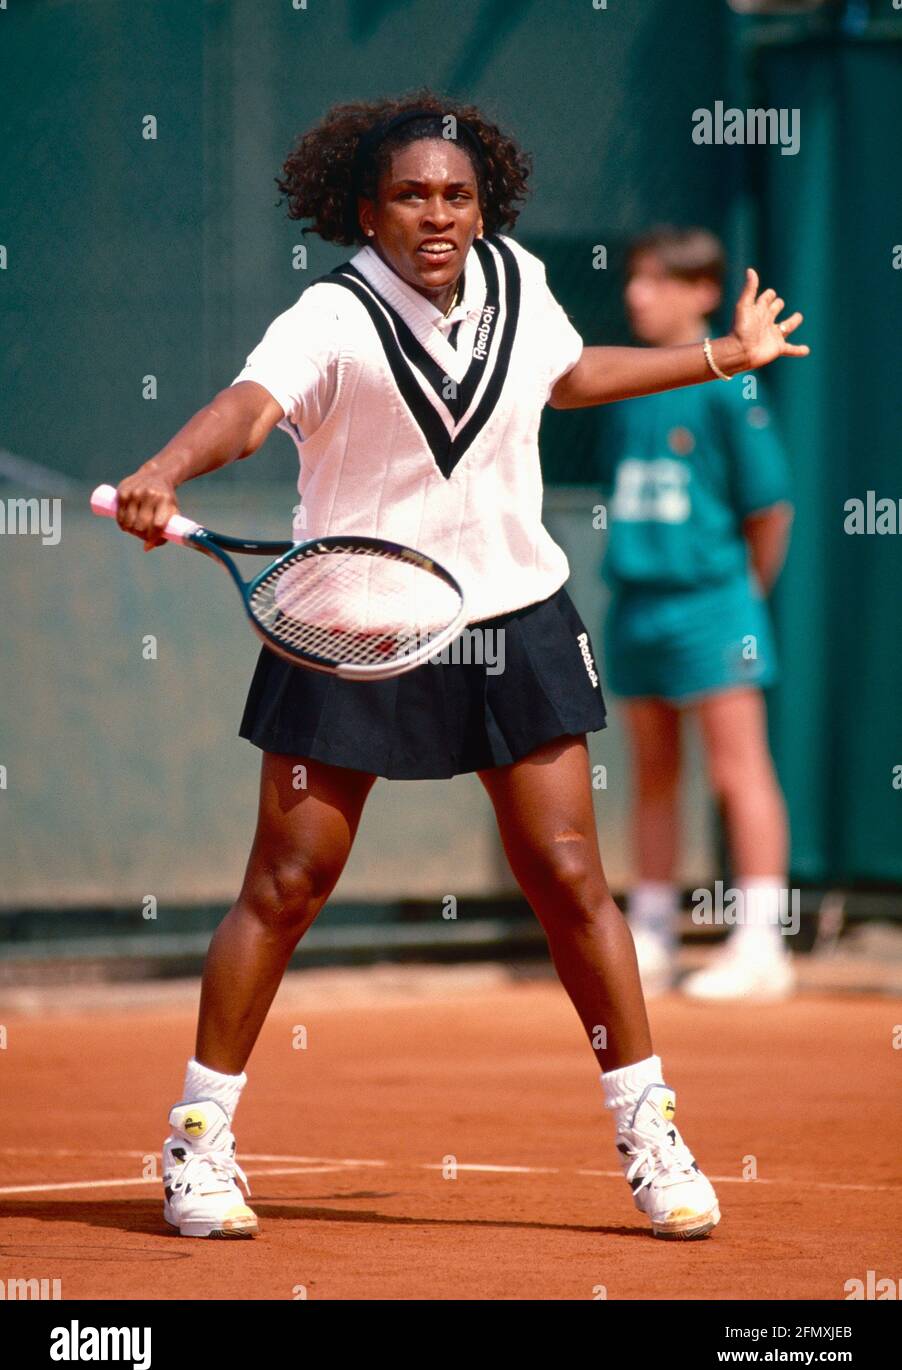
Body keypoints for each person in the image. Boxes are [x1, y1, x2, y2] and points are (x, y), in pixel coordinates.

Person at [113, 93, 808, 1244]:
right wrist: (166, 464)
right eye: (410, 195)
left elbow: (570, 374)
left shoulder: (516, 280)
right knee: (285, 885)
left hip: (512, 614)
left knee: (567, 873)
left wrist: (717, 356)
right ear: (362, 209)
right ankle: (197, 1141)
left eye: (457, 195)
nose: (438, 215)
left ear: (483, 204)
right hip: (354, 624)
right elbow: (247, 412)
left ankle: (648, 1128)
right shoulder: (325, 319)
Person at [594, 226, 795, 1001]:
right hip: (638, 603)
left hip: (715, 604)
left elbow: (769, 508)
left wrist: (740, 598)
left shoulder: (733, 384)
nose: (636, 294)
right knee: (652, 771)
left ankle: (759, 942)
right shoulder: (627, 382)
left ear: (703, 292)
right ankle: (651, 931)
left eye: (656, 281)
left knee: (739, 770)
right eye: (635, 280)